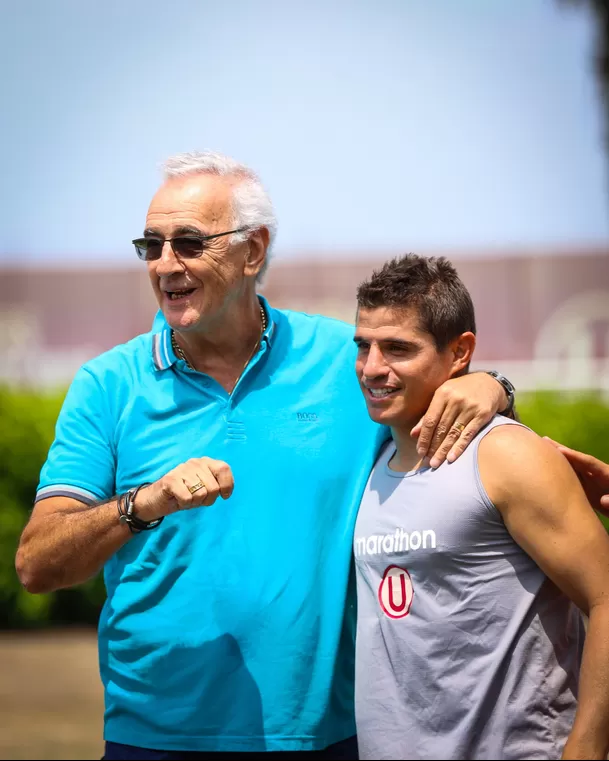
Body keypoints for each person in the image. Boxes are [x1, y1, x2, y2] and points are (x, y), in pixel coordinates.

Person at [15, 152, 513, 760]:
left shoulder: (348, 362)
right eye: (152, 245)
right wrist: (145, 503)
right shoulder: (106, 385)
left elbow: (453, 410)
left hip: (328, 737)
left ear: (254, 250)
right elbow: (38, 564)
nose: (166, 265)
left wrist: (494, 387)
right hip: (154, 740)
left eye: (190, 242)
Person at [352, 254, 609, 761]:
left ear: (460, 352)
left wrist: (588, 745)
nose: (373, 368)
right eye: (363, 346)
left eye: (398, 349)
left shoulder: (505, 454)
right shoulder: (372, 456)